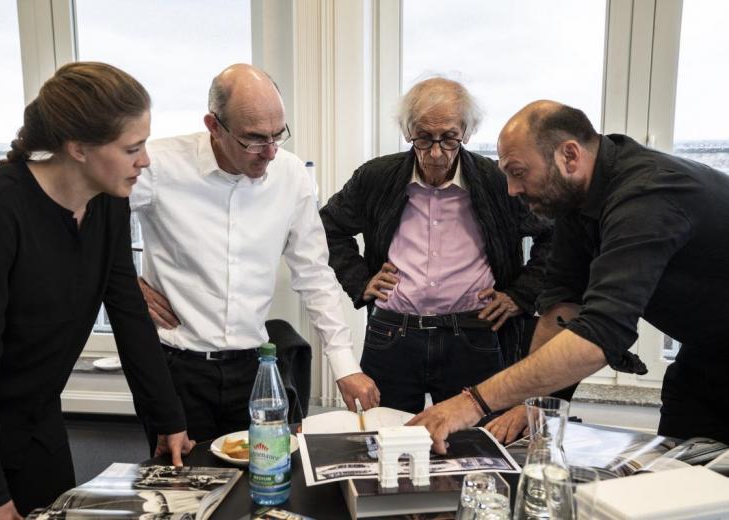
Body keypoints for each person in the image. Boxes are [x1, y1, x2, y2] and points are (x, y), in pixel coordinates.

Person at [409, 100, 729, 451]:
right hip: (704, 359)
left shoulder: (648, 196)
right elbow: (563, 307)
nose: (512, 189)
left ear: (570, 156)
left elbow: (600, 335)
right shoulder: (576, 200)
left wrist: (472, 403)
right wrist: (533, 403)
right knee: (676, 473)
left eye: (518, 172)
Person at [0, 62, 194, 519]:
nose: (145, 160)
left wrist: (168, 418)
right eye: (132, 148)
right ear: (78, 148)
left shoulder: (109, 204)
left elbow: (128, 313)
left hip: (37, 420)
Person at [131, 63, 379, 448]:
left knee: (267, 472)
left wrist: (344, 365)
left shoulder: (291, 174)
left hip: (255, 370)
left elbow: (314, 275)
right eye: (255, 139)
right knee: (182, 480)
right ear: (214, 126)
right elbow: (87, 217)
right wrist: (122, 285)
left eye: (278, 135)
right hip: (177, 368)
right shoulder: (159, 165)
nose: (271, 152)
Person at [319, 77, 552, 415]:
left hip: (473, 335)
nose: (436, 152)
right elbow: (328, 227)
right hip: (392, 334)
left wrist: (521, 295)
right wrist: (360, 280)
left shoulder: (497, 181)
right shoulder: (376, 177)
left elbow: (553, 235)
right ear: (407, 131)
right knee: (383, 436)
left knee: (476, 439)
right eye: (424, 138)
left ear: (467, 132)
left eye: (449, 138)